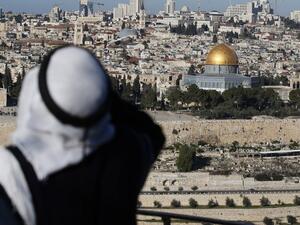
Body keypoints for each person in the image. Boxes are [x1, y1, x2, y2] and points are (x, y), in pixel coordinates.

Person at [0, 46, 165, 225]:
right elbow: (149, 130)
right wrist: (96, 92)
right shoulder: (129, 153)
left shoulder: (11, 169)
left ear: (35, 99)